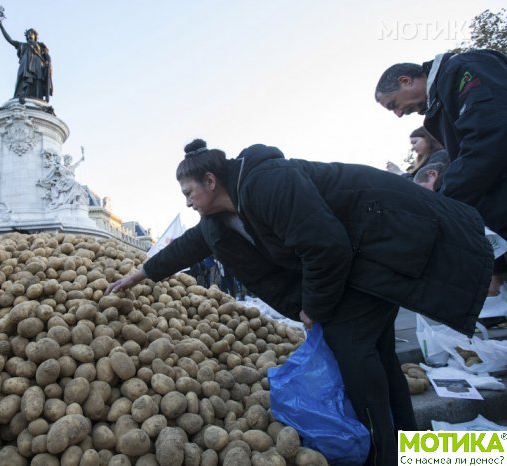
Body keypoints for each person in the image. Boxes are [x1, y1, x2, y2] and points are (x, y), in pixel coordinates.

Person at [106, 139, 493, 466]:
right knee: (377, 356)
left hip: (382, 249)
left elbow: (326, 245)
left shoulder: (266, 182)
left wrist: (313, 307)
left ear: (210, 181)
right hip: (357, 270)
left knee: (356, 358)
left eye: (189, 193)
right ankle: (405, 447)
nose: (188, 202)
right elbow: (189, 246)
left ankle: (382, 453)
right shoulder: (220, 217)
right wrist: (139, 274)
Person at [374, 49, 507, 240]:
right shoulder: (441, 102)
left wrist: (444, 200)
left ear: (405, 81)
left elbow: (490, 133)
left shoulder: (462, 68)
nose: (399, 114)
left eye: (393, 104)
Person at [0, 21, 53, 102]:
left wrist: (48, 62)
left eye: (31, 33)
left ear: (35, 36)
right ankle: (22, 95)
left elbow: (47, 56)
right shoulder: (22, 45)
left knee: (37, 81)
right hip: (25, 65)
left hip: (38, 65)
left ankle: (37, 98)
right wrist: (1, 26)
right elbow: (10, 40)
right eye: (28, 33)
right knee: (22, 80)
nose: (29, 34)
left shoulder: (41, 45)